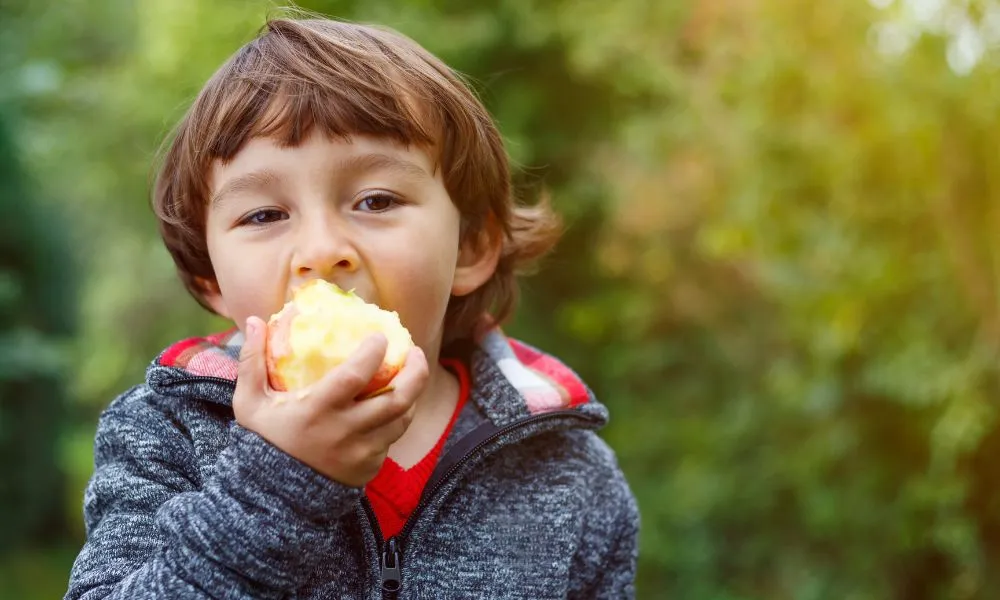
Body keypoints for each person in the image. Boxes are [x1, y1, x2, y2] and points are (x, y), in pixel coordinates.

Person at [65, 13, 638, 600]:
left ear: (469, 246)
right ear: (211, 277)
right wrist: (278, 483)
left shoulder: (569, 473)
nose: (321, 251)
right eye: (264, 215)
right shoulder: (166, 434)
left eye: (376, 199)